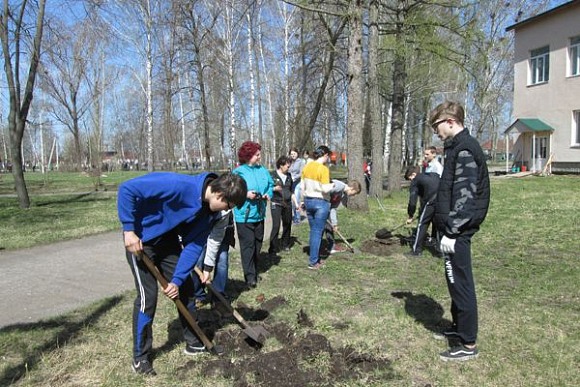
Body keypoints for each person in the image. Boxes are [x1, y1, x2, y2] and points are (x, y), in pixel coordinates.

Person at [118, 172, 247, 375]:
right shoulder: (179, 185)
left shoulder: (209, 214)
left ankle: (193, 342)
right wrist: (128, 230)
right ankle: (140, 357)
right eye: (229, 207)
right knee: (147, 298)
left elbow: (193, 247)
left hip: (167, 242)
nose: (227, 212)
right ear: (220, 195)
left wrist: (176, 281)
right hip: (141, 241)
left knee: (187, 288)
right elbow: (127, 188)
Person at [430, 101, 490, 362]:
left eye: (437, 126)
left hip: (459, 232)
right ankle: (458, 328)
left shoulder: (465, 149)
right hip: (453, 230)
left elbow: (465, 197)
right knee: (453, 281)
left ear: (451, 122)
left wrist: (452, 233)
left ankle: (468, 343)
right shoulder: (456, 147)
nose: (436, 132)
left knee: (461, 283)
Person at [233, 141, 274, 288]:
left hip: (260, 214)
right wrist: (246, 194)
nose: (259, 157)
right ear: (249, 156)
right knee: (248, 246)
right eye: (257, 155)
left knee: (258, 245)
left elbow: (270, 184)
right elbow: (232, 192)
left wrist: (267, 194)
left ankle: (254, 271)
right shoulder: (238, 172)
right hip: (244, 215)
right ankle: (250, 277)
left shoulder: (262, 170)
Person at [301, 145, 334, 269]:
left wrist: (302, 200)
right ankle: (313, 261)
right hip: (320, 203)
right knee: (317, 232)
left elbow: (302, 185)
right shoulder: (323, 169)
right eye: (328, 156)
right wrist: (333, 185)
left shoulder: (307, 166)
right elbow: (325, 188)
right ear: (325, 155)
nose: (328, 158)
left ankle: (316, 257)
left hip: (308, 201)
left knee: (315, 232)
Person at [403, 166, 440, 256]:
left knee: (422, 224)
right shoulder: (432, 175)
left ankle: (416, 251)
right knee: (439, 223)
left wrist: (410, 216)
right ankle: (440, 249)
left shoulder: (415, 180)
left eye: (410, 178)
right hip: (444, 200)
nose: (411, 181)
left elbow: (412, 201)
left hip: (431, 201)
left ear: (413, 174)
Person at [324, 179, 362, 254]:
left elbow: (333, 208)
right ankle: (317, 250)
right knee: (320, 228)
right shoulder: (339, 186)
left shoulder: (342, 194)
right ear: (352, 188)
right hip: (319, 205)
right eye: (354, 193)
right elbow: (324, 190)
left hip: (325, 208)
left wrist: (335, 224)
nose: (354, 195)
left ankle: (331, 246)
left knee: (329, 226)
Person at [269, 155, 297, 255]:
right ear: (281, 165)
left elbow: (292, 191)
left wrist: (296, 204)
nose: (288, 168)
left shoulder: (289, 176)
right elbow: (266, 189)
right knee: (276, 225)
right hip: (276, 203)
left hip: (288, 204)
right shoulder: (272, 175)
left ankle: (285, 244)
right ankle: (272, 248)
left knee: (287, 224)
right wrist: (273, 189)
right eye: (287, 166)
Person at [288, 148, 305, 224]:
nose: (293, 155)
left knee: (296, 200)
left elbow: (302, 173)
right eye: (291, 154)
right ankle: (290, 216)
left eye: (294, 154)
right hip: (289, 182)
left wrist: (294, 177)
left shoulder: (301, 162)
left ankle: (297, 218)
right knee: (290, 201)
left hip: (297, 182)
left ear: (297, 153)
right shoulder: (289, 162)